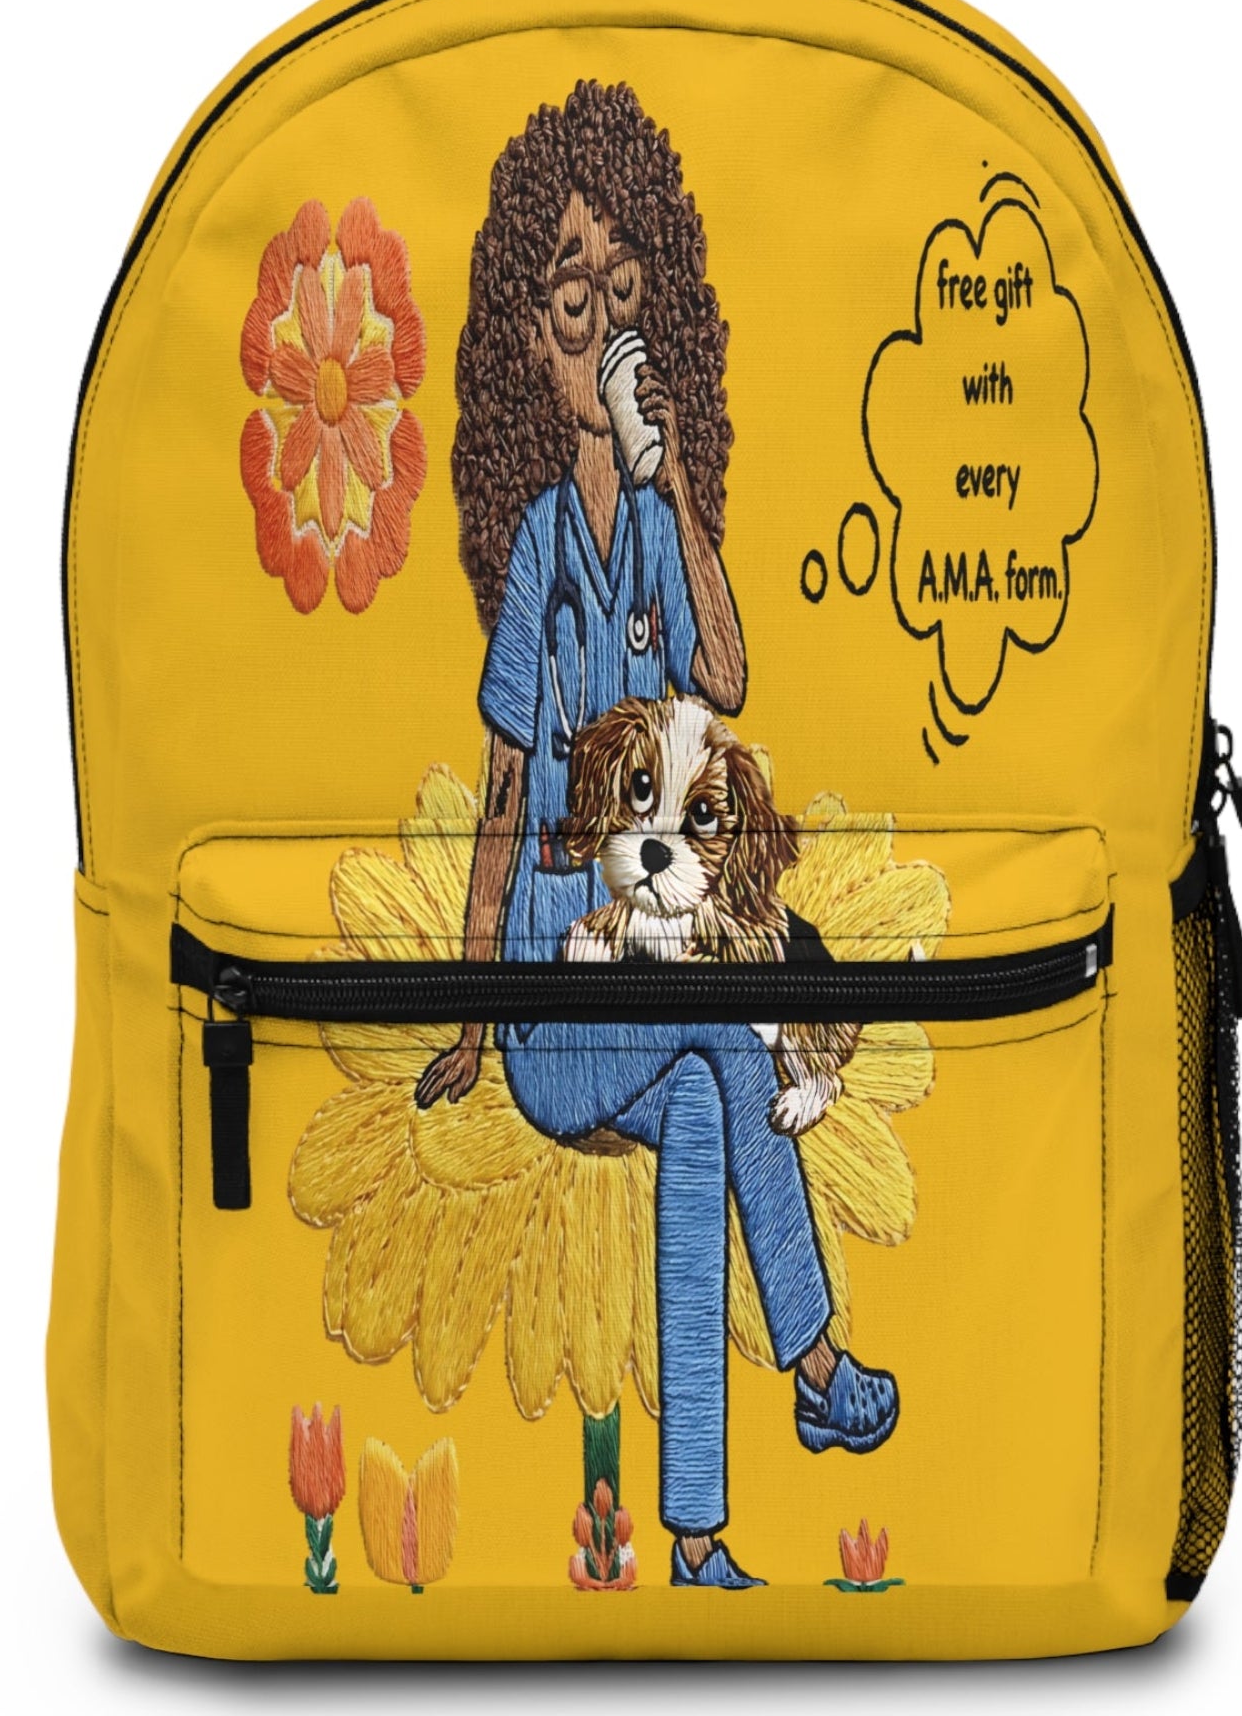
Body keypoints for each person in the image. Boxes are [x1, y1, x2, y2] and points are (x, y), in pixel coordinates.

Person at [417, 82, 898, 1589]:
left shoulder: (654, 521)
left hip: (663, 981)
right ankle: (819, 1366)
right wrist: (468, 1012)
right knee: (724, 1039)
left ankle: (694, 1537)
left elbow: (730, 677)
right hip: (555, 999)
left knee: (705, 1093)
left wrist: (673, 475)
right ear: (526, 340)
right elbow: (507, 796)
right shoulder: (536, 552)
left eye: (626, 296)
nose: (603, 333)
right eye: (573, 306)